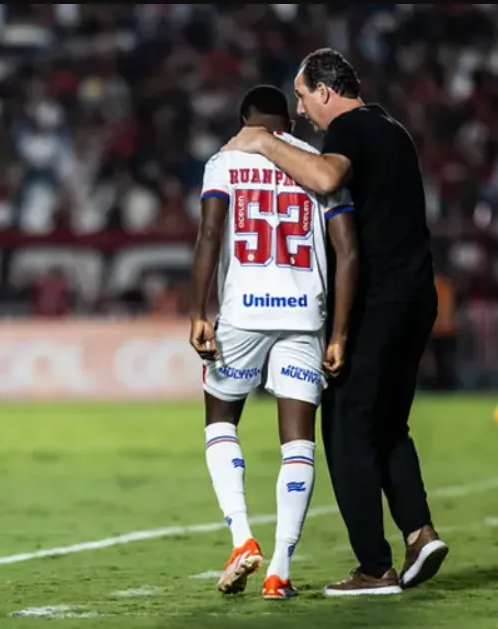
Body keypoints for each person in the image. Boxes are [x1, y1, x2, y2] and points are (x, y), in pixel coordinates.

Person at [222, 48, 447, 595]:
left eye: (302, 96)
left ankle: (374, 566)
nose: (300, 111)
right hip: (418, 296)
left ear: (325, 91)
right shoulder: (392, 130)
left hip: (381, 301)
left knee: (345, 428)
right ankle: (420, 533)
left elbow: (325, 177)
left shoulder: (349, 127)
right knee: (389, 423)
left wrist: (262, 141)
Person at [188, 84, 358, 600]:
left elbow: (211, 235)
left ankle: (242, 538)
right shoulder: (318, 163)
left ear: (244, 120)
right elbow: (348, 252)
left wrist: (199, 311)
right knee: (299, 442)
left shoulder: (225, 160)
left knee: (221, 421)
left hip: (242, 313)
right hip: (305, 315)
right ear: (289, 120)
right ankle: (280, 568)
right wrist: (340, 332)